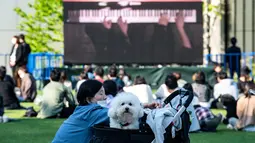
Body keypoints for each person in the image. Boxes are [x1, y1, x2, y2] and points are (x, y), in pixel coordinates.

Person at [52, 80, 158, 143]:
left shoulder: (82, 110)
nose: (105, 97)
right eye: (101, 93)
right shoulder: (92, 113)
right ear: (89, 98)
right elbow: (122, 114)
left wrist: (144, 105)